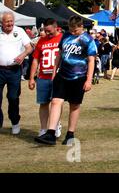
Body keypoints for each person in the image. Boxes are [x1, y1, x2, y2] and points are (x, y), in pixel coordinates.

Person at [35, 16, 97, 145]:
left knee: (74, 105)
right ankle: (50, 133)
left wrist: (89, 80)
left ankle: (70, 134)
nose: (73, 33)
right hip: (62, 75)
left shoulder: (88, 40)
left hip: (79, 77)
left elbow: (91, 61)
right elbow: (59, 54)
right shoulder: (65, 36)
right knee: (56, 101)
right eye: (71, 30)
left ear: (81, 27)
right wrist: (54, 72)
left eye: (75, 31)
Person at [28, 18, 63, 137]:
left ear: (56, 27)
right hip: (43, 77)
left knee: (56, 102)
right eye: (45, 31)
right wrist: (32, 78)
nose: (47, 34)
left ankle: (56, 125)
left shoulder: (62, 38)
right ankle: (43, 129)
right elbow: (35, 60)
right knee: (43, 103)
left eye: (49, 31)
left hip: (58, 77)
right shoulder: (41, 41)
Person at [0, 11, 33, 135]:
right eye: (7, 21)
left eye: (11, 21)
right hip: (0, 70)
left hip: (14, 70)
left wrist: (22, 55)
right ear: (1, 23)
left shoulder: (19, 31)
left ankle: (15, 122)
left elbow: (29, 47)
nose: (10, 24)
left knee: (13, 97)